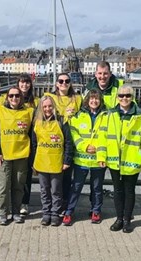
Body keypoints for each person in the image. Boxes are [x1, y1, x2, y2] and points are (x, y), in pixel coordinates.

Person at [97, 84, 141, 233]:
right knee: (117, 191)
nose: (124, 98)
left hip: (132, 160)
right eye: (121, 96)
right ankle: (119, 218)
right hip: (114, 160)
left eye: (128, 96)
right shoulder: (110, 115)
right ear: (117, 98)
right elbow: (102, 137)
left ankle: (127, 219)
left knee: (129, 190)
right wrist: (101, 155)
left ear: (132, 97)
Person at [63, 89, 108, 226]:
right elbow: (74, 134)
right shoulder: (78, 116)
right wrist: (84, 146)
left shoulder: (107, 116)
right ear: (87, 100)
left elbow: (107, 136)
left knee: (97, 188)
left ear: (100, 101)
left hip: (98, 159)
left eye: (97, 99)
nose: (94, 101)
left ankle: (96, 211)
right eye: (91, 98)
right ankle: (69, 211)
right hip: (81, 159)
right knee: (76, 187)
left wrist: (98, 150)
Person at [0, 86, 34, 225]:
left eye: (17, 96)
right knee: (3, 186)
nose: (14, 98)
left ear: (21, 97)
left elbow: (32, 135)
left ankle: (16, 212)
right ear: (7, 98)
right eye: (11, 96)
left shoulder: (29, 112)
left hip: (21, 155)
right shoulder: (0, 111)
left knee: (18, 186)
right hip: (4, 156)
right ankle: (3, 213)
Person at [30, 96, 73, 226]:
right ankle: (46, 213)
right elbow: (34, 144)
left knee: (56, 190)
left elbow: (68, 143)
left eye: (50, 106)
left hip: (56, 162)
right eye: (45, 107)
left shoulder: (61, 121)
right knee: (44, 190)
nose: (47, 109)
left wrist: (67, 160)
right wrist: (33, 162)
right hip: (41, 161)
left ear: (54, 107)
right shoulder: (37, 122)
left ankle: (55, 213)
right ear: (41, 108)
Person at [45, 72, 83, 213]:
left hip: (72, 141)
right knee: (52, 177)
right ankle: (51, 205)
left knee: (67, 176)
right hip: (53, 142)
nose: (64, 84)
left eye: (67, 81)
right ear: (56, 83)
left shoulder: (77, 98)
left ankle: (65, 205)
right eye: (61, 81)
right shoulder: (50, 97)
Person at [14, 73, 39, 216]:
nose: (25, 85)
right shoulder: (13, 98)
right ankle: (13, 202)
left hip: (31, 139)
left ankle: (25, 202)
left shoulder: (35, 101)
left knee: (27, 175)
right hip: (16, 140)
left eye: (27, 83)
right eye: (22, 83)